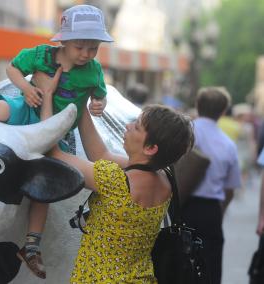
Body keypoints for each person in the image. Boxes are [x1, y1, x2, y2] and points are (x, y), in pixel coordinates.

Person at [0, 5, 113, 278]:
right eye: (80, 47)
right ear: (62, 41)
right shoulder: (41, 54)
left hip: (57, 130)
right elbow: (12, 68)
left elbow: (100, 95)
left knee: (44, 186)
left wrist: (99, 104)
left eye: (93, 48)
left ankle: (31, 244)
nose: (87, 54)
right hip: (30, 109)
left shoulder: (93, 70)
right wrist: (27, 88)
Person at [33, 70, 194, 282]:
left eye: (136, 127)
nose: (127, 126)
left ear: (151, 148)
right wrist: (80, 103)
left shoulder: (115, 181)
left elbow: (54, 153)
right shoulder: (165, 179)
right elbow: (101, 154)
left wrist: (47, 95)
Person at [181, 87, 242, 284]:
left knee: (176, 260)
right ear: (223, 112)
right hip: (210, 210)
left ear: (197, 106)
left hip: (181, 203)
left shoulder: (183, 131)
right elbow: (231, 188)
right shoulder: (228, 144)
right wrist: (220, 211)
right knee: (210, 265)